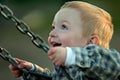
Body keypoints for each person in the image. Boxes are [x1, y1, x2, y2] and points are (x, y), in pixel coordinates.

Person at [9, 1, 120, 80]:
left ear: (91, 42)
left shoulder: (101, 63)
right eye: (53, 27)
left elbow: (114, 64)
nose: (52, 33)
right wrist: (32, 71)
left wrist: (71, 55)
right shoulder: (65, 68)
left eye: (64, 27)